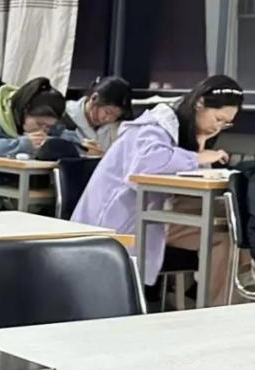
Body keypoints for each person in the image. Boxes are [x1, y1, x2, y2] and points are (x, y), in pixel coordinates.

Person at [73, 75, 245, 305]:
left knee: (236, 233)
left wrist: (200, 146)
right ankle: (218, 311)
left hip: (158, 213)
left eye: (226, 124)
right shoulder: (155, 124)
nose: (218, 127)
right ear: (199, 103)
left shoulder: (188, 131)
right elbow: (145, 165)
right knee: (225, 237)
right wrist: (198, 156)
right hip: (121, 218)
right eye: (218, 118)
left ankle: (227, 308)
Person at [0, 78, 67, 212]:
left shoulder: (49, 124)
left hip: (28, 197)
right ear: (24, 111)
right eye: (39, 124)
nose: (43, 130)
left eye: (49, 127)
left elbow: (66, 136)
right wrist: (22, 144)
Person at [63, 76, 133, 153]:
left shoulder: (116, 127)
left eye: (115, 116)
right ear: (94, 98)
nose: (108, 119)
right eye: (107, 112)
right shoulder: (64, 115)